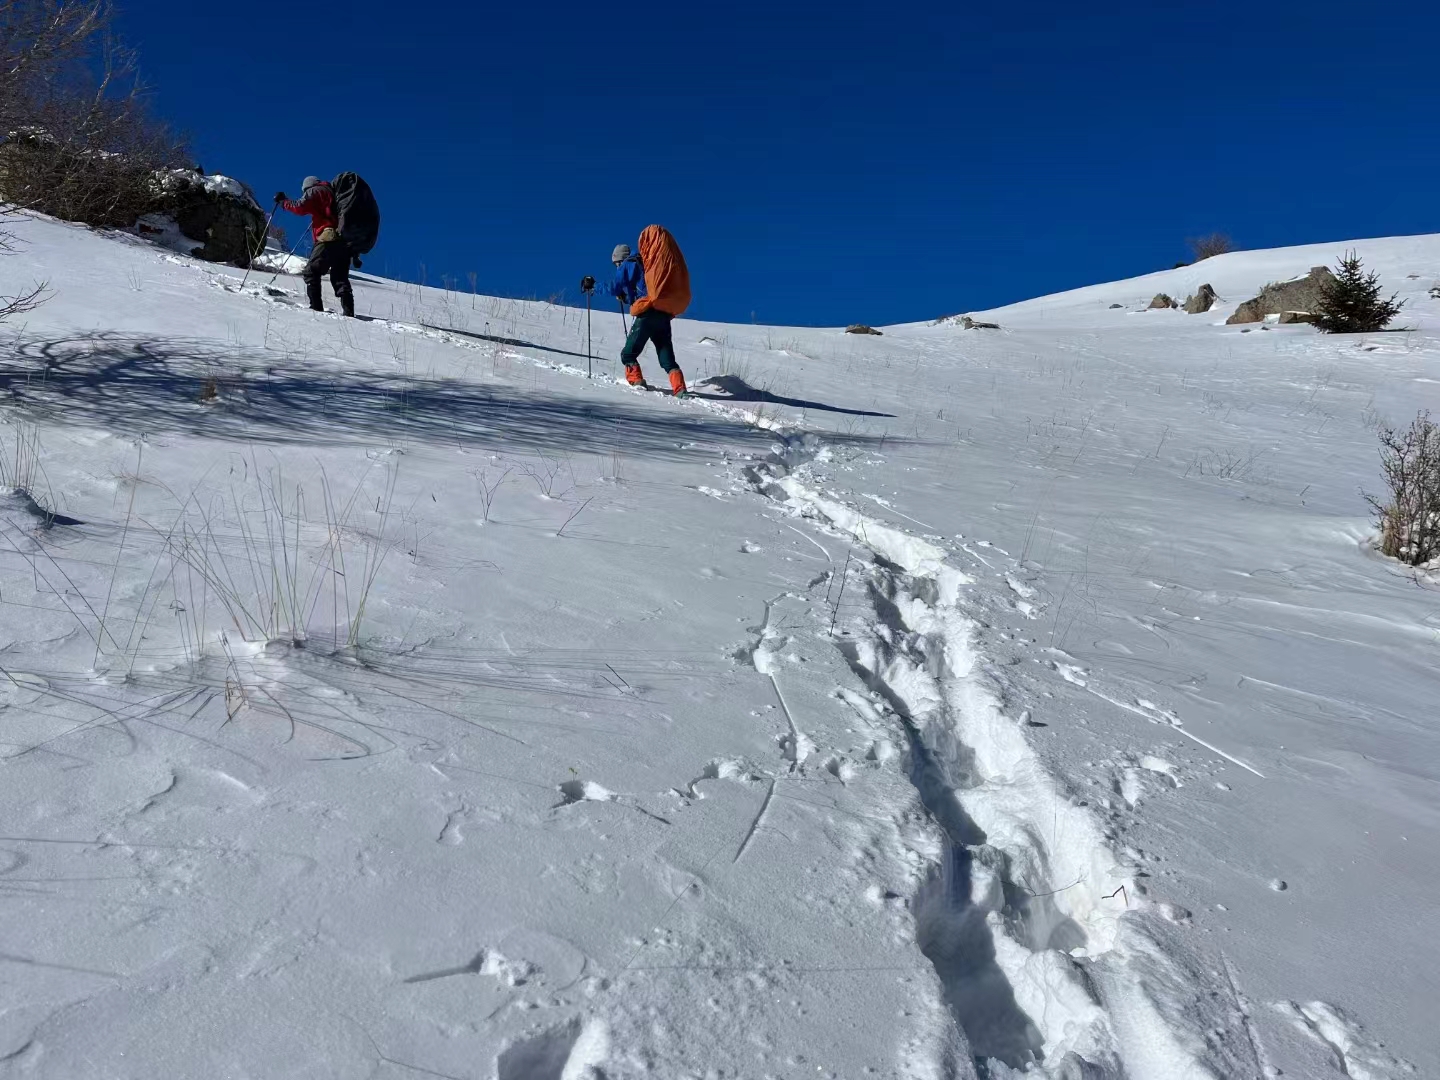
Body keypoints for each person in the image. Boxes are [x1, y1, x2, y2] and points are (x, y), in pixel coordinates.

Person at [614, 225, 691, 396]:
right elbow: (644, 289)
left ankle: (637, 382)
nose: (617, 266)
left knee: (628, 354)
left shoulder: (628, 265)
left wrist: (593, 286)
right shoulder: (647, 263)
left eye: (616, 263)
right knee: (667, 359)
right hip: (662, 315)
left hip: (646, 314)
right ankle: (680, 390)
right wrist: (628, 298)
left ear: (621, 259)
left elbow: (615, 286)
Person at [274, 176, 355, 317]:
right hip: (345, 242)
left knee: (311, 271)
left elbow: (300, 206)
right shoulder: (332, 193)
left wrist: (283, 202)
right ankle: (349, 313)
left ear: (307, 187)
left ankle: (316, 309)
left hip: (328, 237)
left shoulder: (315, 190)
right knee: (340, 277)